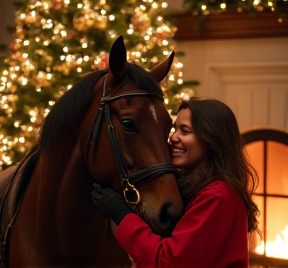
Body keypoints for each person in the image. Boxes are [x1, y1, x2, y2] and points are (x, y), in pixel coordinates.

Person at [92, 97, 260, 268]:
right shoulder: (194, 186)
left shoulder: (218, 196)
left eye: (185, 131)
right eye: (174, 129)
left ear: (211, 140)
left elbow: (170, 262)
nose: (173, 138)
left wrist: (121, 214)